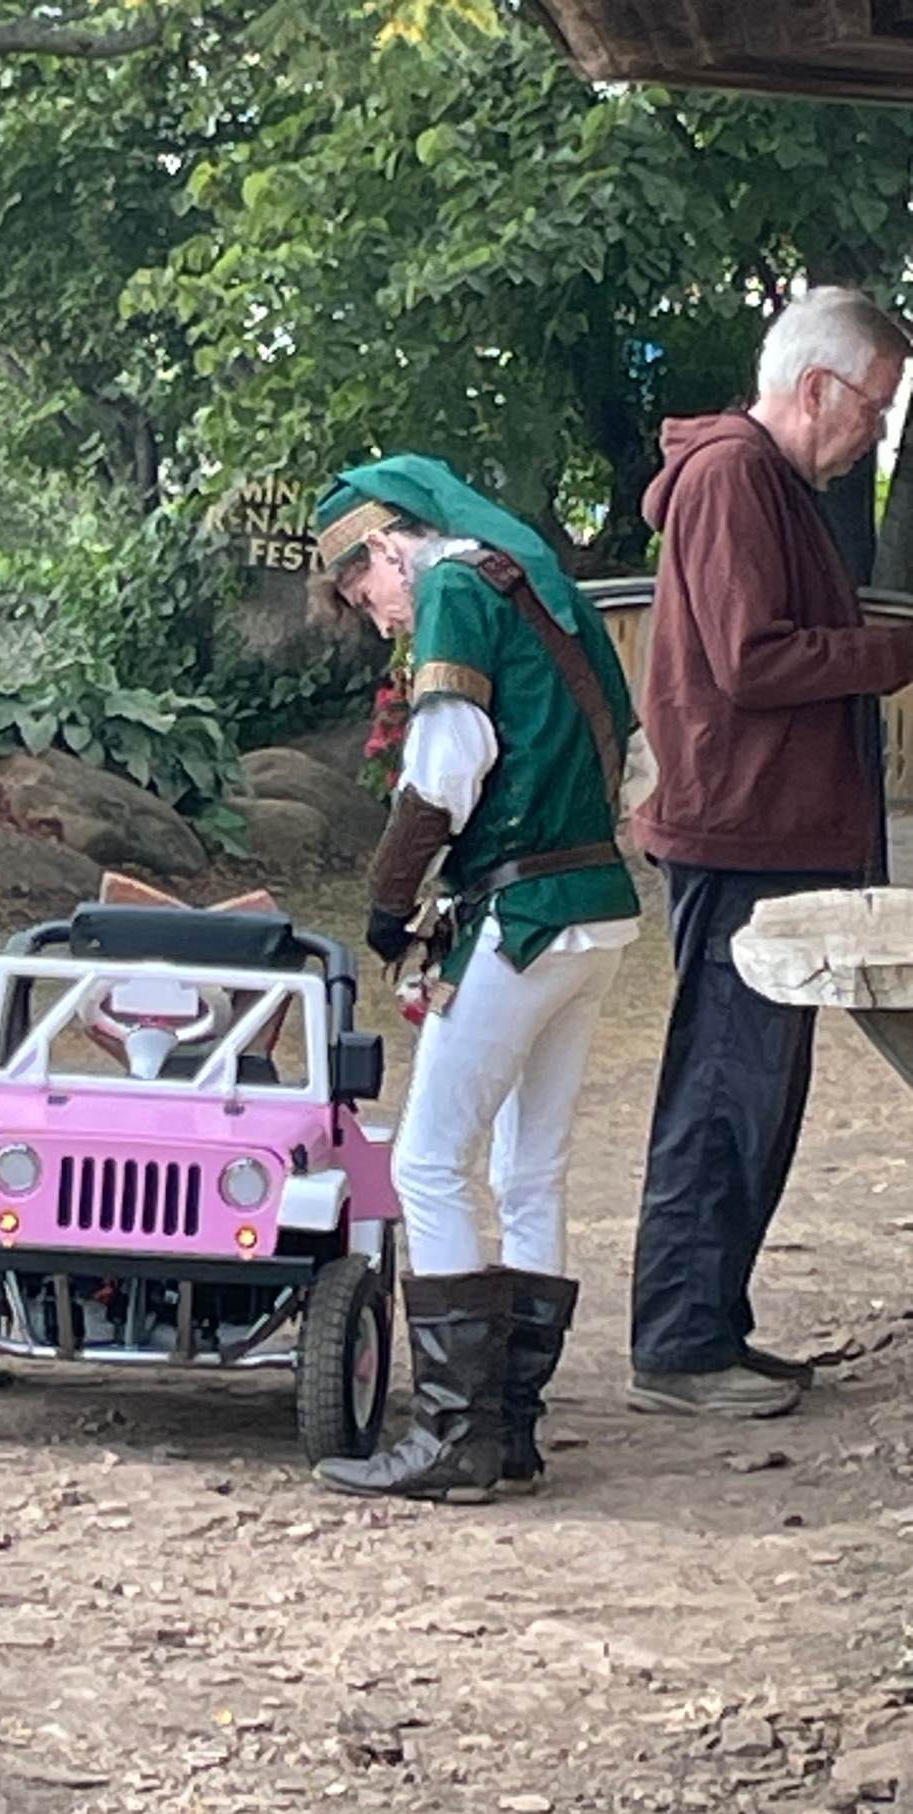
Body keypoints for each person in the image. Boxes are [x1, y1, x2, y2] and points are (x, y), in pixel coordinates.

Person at [309, 454, 649, 1503]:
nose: (378, 620)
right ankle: (513, 1433)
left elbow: (444, 774)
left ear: (382, 547)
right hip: (596, 911)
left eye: (364, 595)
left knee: (427, 1163)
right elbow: (639, 767)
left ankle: (456, 1433)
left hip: (522, 918)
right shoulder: (542, 581)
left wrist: (387, 896)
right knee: (529, 1168)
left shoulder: (455, 584)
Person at [628, 286, 913, 1419]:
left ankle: (711, 1326)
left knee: (755, 1095)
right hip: (741, 836)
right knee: (721, 1092)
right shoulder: (735, 476)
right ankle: (681, 1345)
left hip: (770, 832)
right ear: (817, 388)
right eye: (875, 410)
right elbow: (753, 660)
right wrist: (890, 654)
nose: (877, 435)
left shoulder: (766, 482)